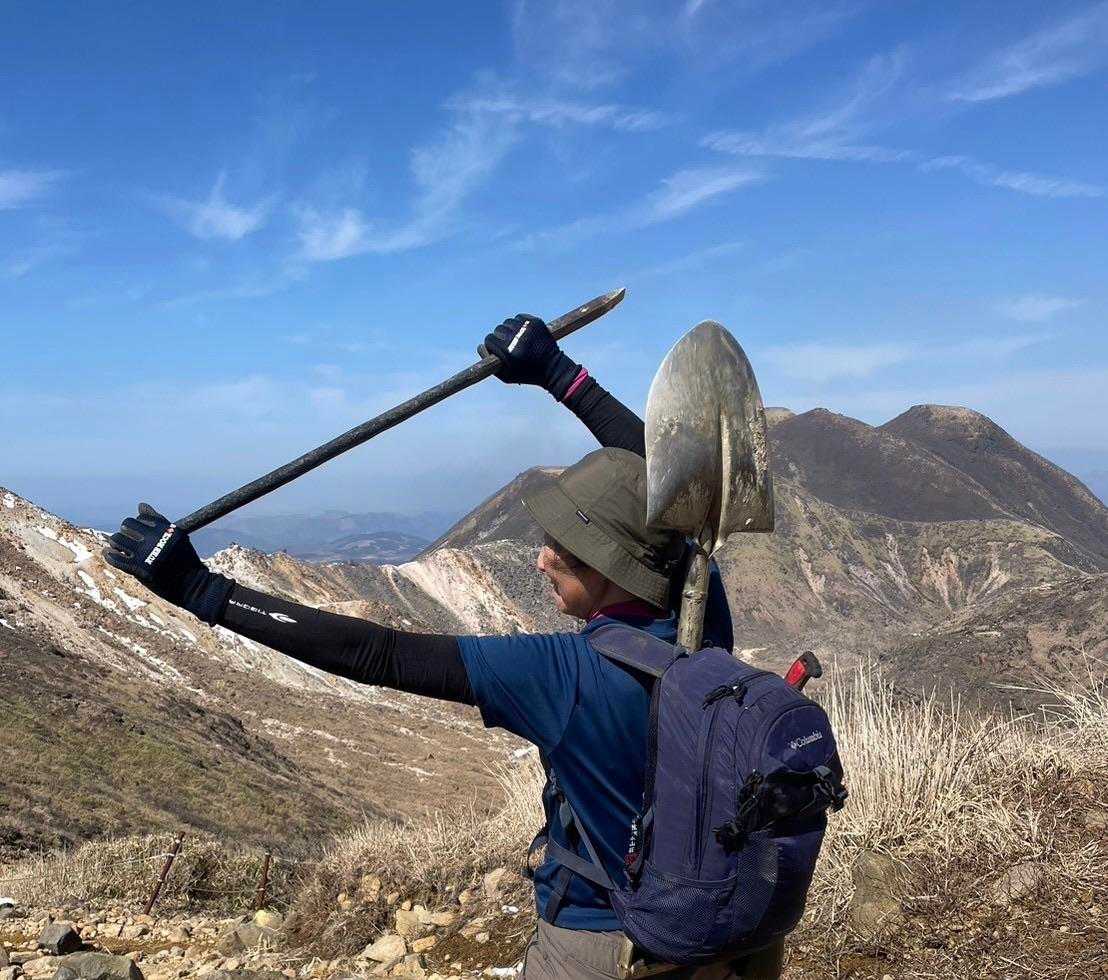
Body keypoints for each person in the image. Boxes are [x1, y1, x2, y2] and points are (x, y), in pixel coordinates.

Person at [104, 315, 783, 979]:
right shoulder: (700, 614)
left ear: (608, 566)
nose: (542, 559)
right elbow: (671, 495)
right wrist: (560, 376)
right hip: (732, 936)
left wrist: (204, 592)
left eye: (564, 549)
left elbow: (378, 655)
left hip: (603, 945)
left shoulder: (566, 676)